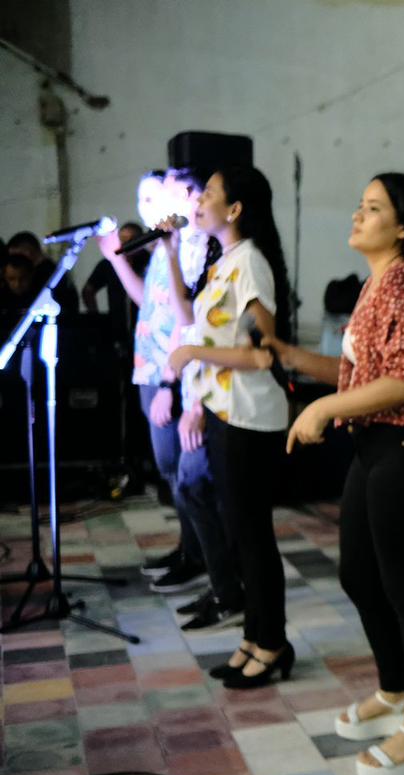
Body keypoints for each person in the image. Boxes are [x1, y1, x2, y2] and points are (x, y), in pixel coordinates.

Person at [266, 173, 404, 775]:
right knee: (359, 573)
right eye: (359, 204)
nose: (358, 215)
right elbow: (363, 373)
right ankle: (395, 690)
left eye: (373, 208)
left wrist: (322, 408)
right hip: (379, 443)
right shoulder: (377, 283)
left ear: (403, 226)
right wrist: (294, 359)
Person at [168, 166, 292, 687]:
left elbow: (264, 354)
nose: (199, 201)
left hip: (251, 417)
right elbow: (189, 316)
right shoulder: (225, 263)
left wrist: (195, 352)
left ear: (235, 208)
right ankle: (253, 636)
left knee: (253, 536)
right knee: (241, 535)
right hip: (224, 413)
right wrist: (169, 248)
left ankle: (272, 644)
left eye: (209, 194)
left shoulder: (251, 265)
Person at [96, 170, 227, 612]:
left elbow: (188, 318)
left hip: (180, 377)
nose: (152, 206)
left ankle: (212, 568)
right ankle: (191, 552)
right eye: (145, 199)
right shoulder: (164, 247)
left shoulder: (200, 249)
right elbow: (150, 304)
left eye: (163, 194)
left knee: (189, 475)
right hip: (151, 367)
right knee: (173, 474)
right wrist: (116, 260)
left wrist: (171, 385)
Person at [5, 231, 79, 318]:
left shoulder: (45, 274)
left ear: (28, 252)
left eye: (16, 258)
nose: (14, 263)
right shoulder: (54, 270)